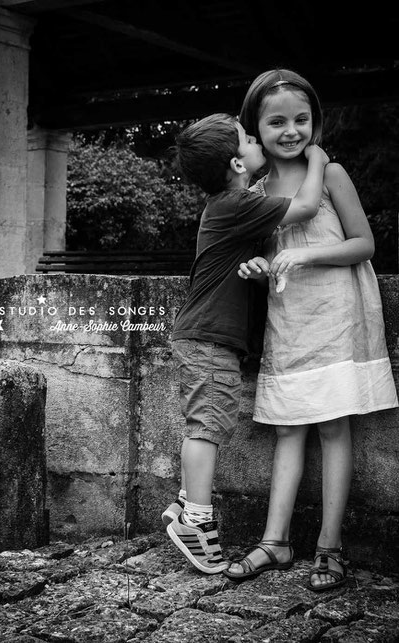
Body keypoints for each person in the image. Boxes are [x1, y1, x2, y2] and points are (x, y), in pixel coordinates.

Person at [224, 69, 398, 590]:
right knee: (287, 430)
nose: (291, 130)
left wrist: (307, 253)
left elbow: (364, 244)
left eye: (301, 119)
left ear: (315, 122)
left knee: (333, 428)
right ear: (255, 127)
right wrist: (256, 267)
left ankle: (330, 546)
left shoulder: (333, 174)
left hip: (338, 319)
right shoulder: (254, 191)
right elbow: (262, 257)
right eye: (276, 121)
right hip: (289, 324)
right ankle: (275, 542)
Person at [164, 112, 329, 574]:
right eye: (251, 139)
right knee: (208, 426)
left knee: (206, 422)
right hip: (209, 336)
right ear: (239, 164)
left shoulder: (229, 206)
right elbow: (308, 206)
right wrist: (316, 158)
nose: (259, 142)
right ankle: (197, 519)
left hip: (205, 334)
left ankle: (184, 504)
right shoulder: (235, 204)